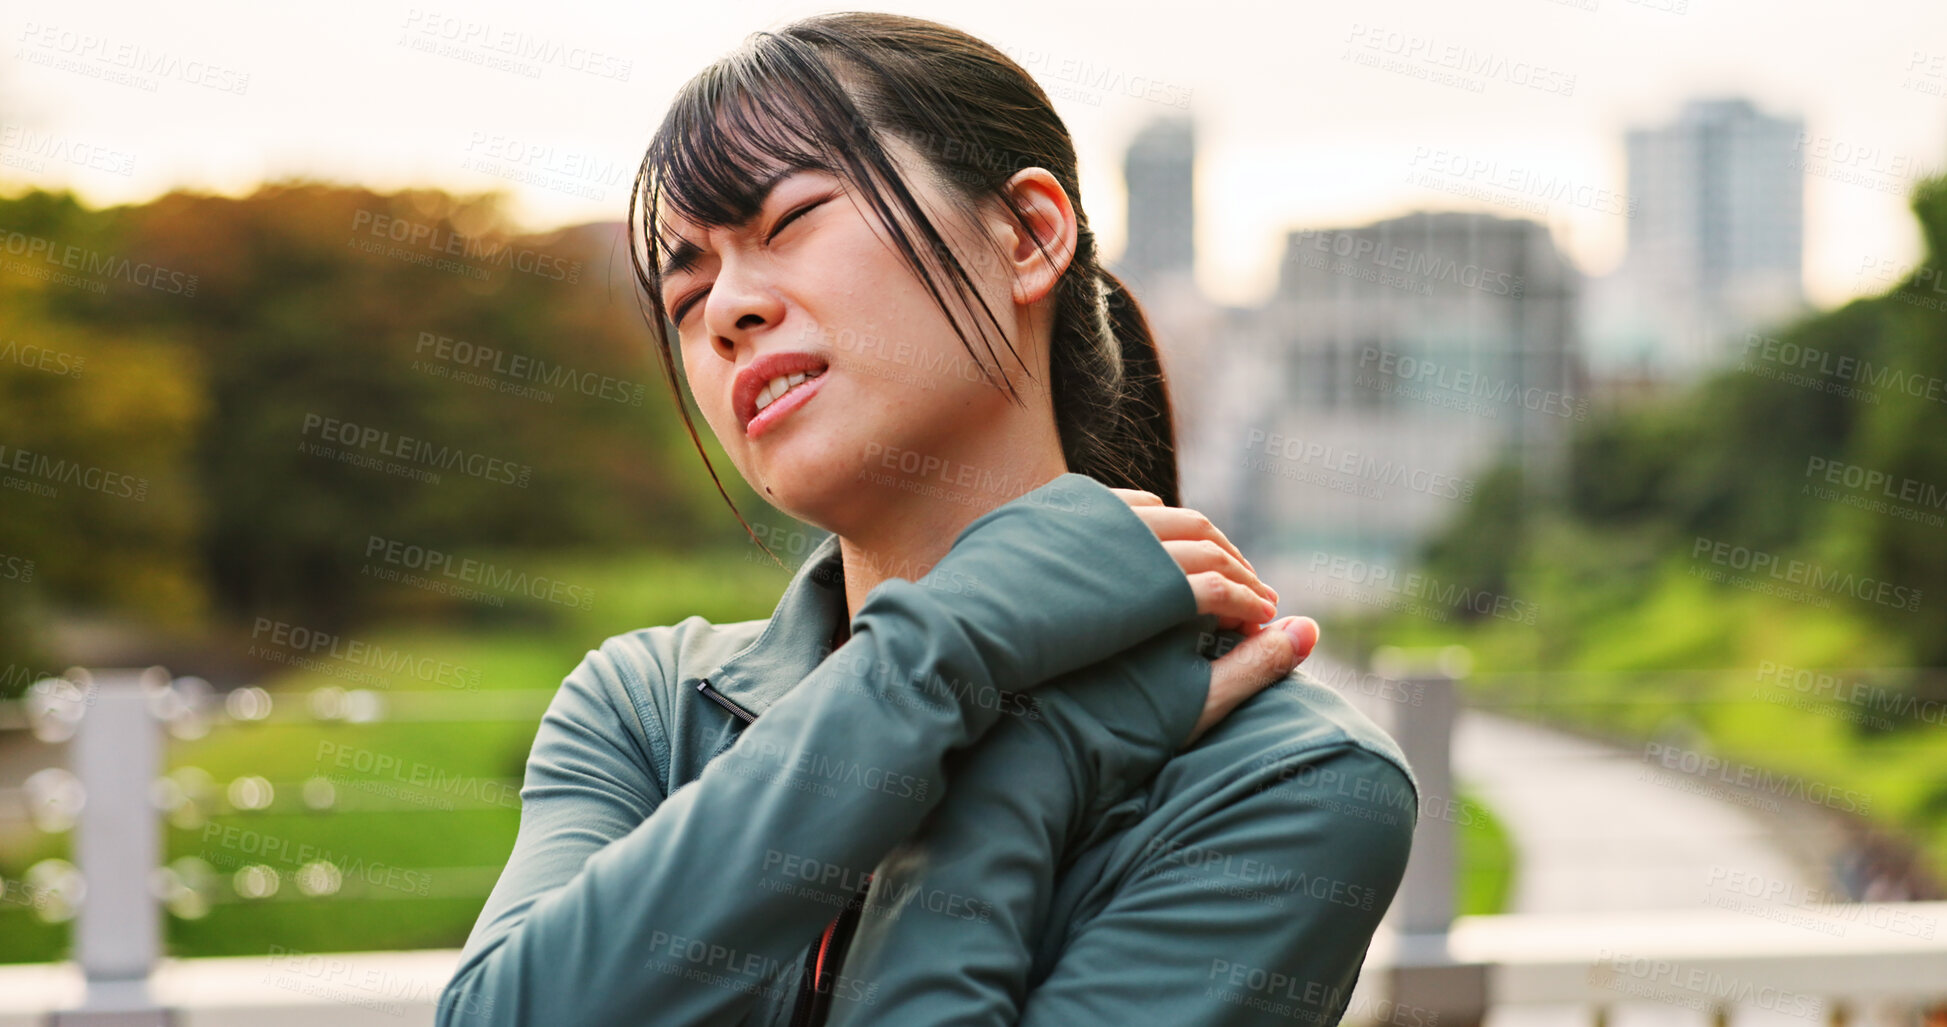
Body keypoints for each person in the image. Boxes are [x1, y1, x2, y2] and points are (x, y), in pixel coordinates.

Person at [437, 11, 1418, 1026]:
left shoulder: (1282, 781)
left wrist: (1021, 761)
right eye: (685, 291)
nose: (727, 306)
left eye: (789, 220)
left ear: (1028, 235)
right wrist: (956, 662)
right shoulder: (649, 712)